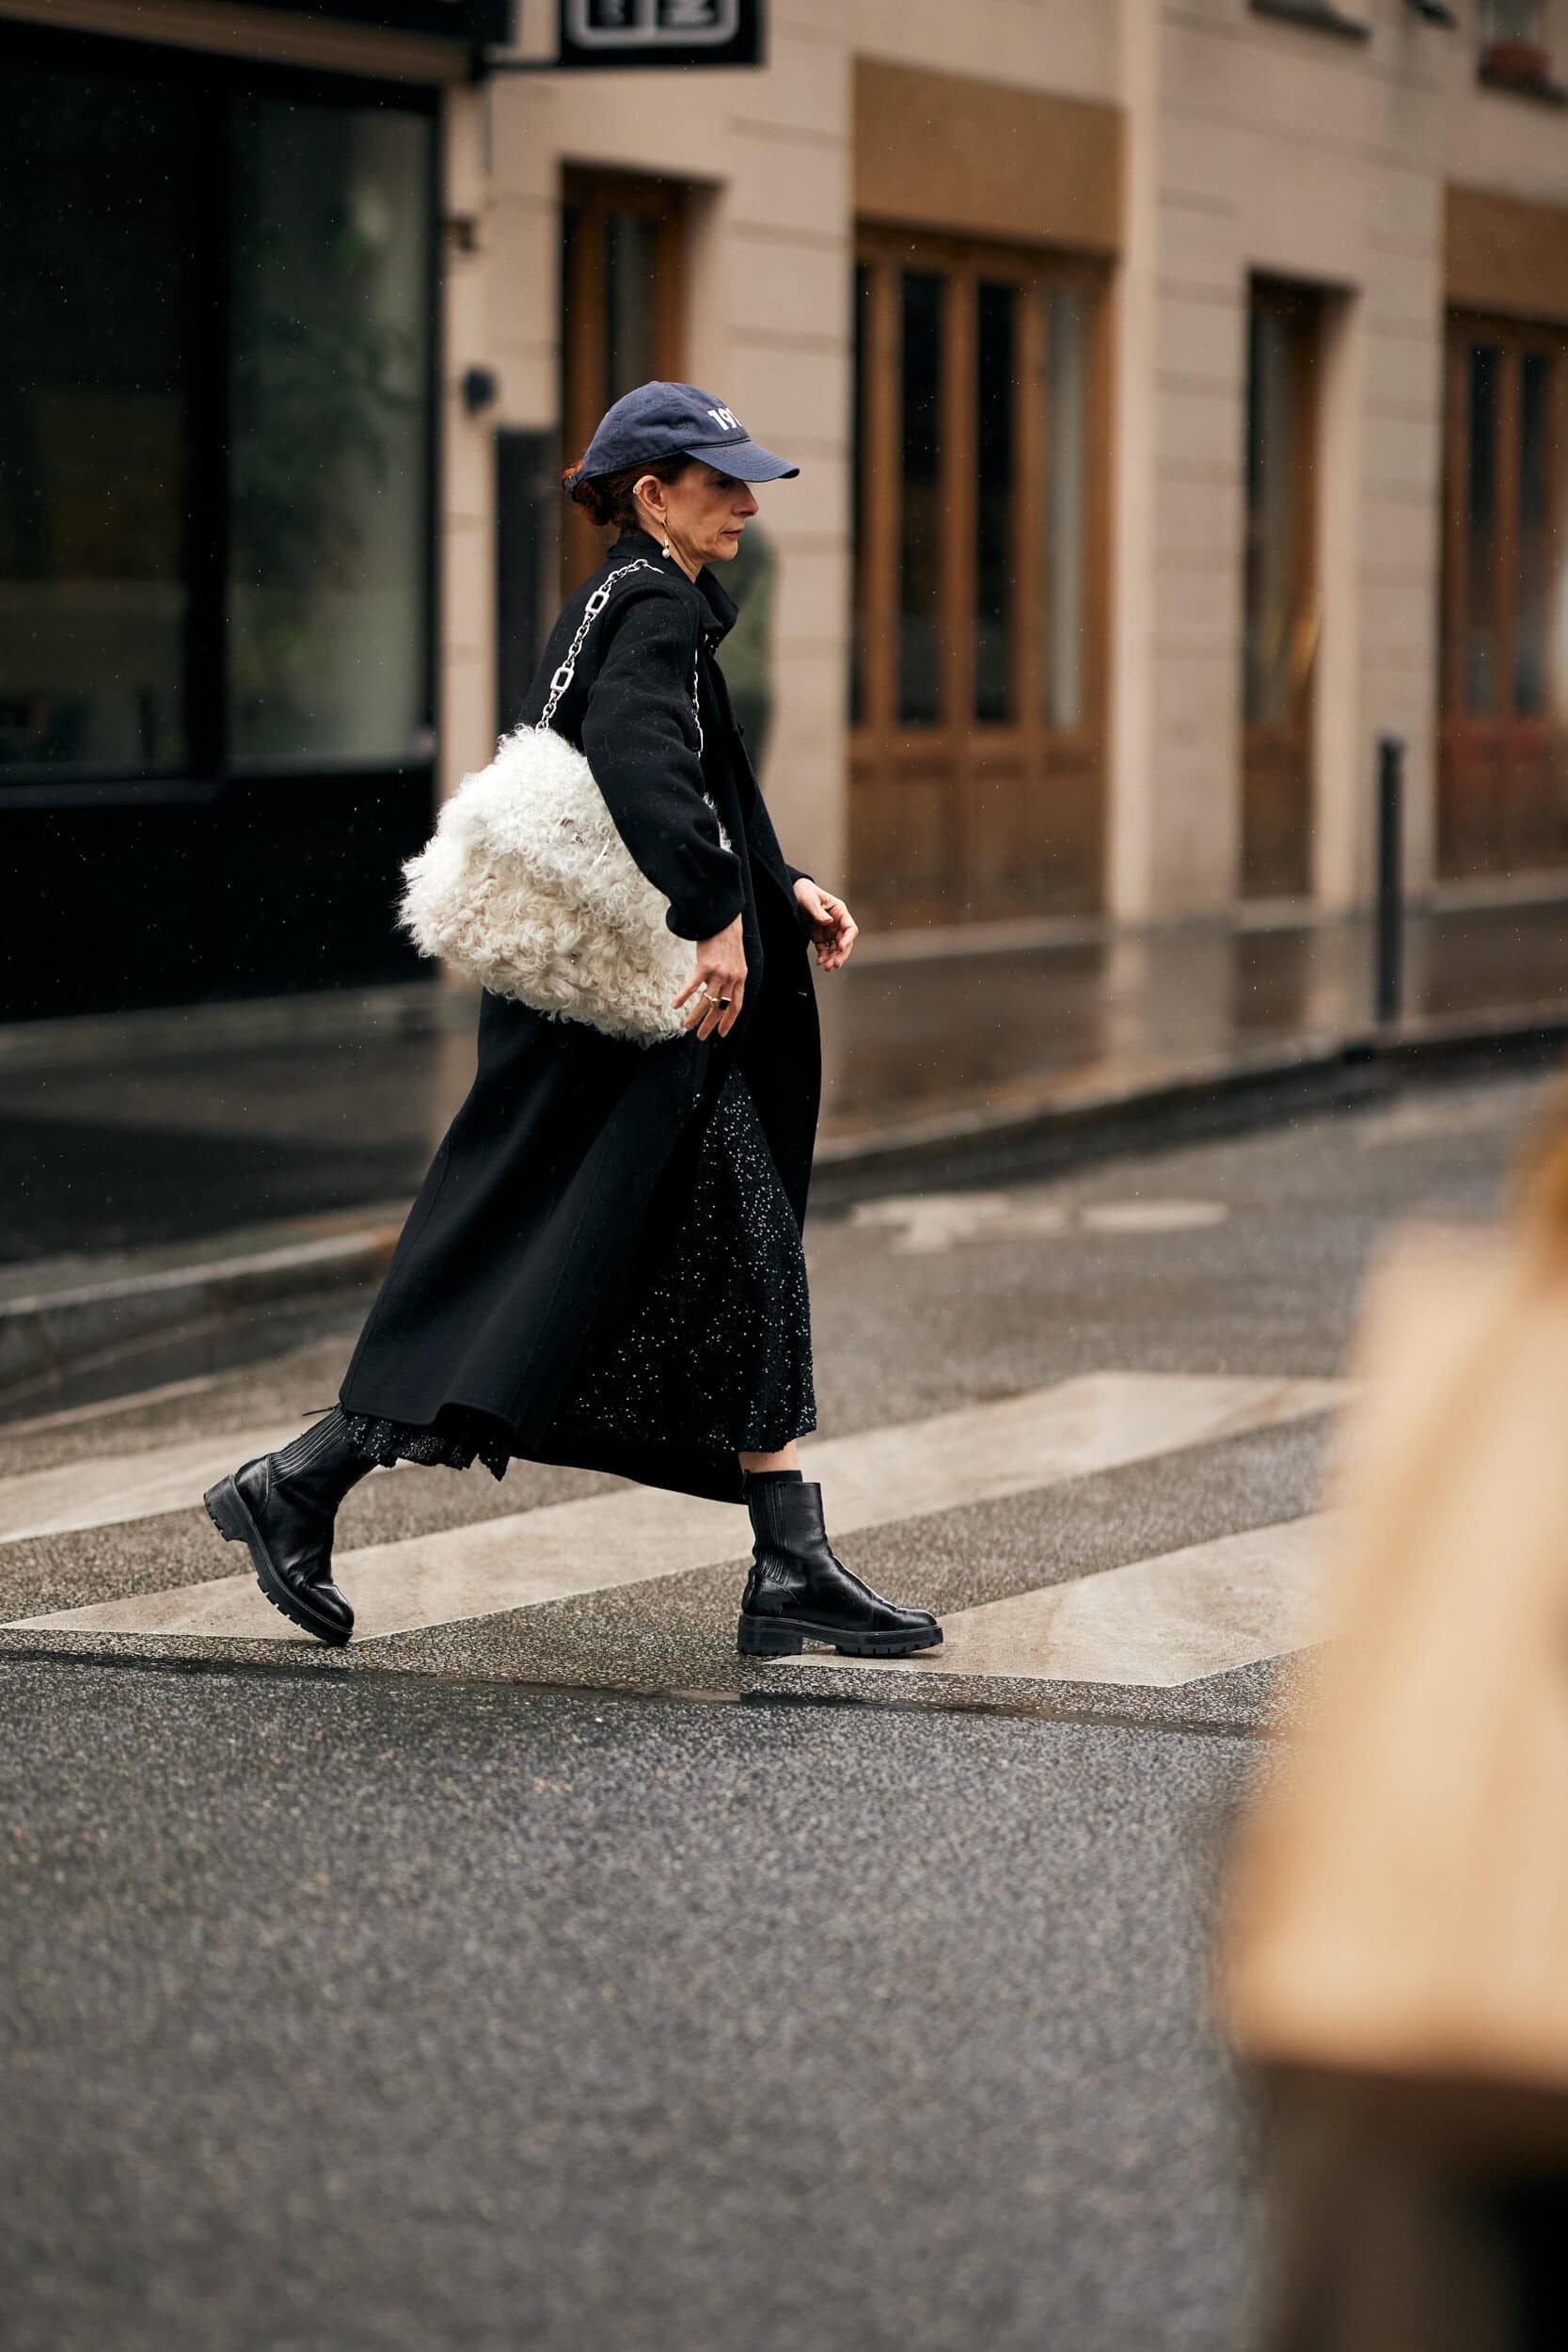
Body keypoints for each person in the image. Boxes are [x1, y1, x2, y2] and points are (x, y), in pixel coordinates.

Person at [203, 381, 942, 1664]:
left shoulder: (621, 600)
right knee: (567, 1260)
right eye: (716, 484)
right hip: (639, 1023)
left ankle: (784, 1558)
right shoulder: (652, 601)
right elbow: (648, 767)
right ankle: (304, 1485)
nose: (742, 505)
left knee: (627, 1257)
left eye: (744, 483)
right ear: (650, 495)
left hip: (604, 1019)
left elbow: (672, 775)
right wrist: (720, 917)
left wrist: (779, 885)